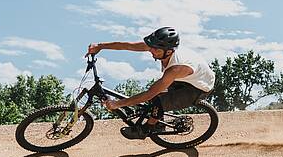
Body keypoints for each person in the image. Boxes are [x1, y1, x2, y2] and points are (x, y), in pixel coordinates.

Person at [85, 27, 215, 139]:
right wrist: (100, 46)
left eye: (155, 50)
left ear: (169, 51)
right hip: (187, 77)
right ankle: (158, 119)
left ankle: (147, 128)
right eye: (151, 48)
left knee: (156, 99)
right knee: (156, 94)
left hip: (199, 87)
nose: (151, 51)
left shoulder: (176, 68)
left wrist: (117, 104)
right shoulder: (159, 47)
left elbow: (149, 94)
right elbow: (128, 45)